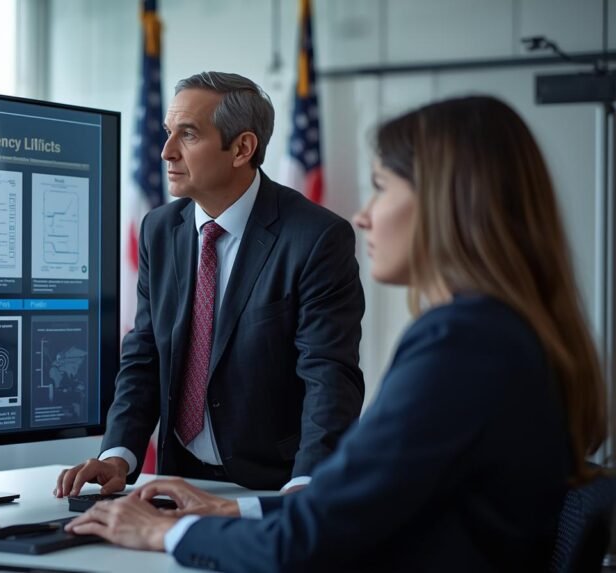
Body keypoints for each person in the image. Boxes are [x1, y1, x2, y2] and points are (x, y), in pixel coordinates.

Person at [65, 95, 608, 571]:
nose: (364, 216)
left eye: (380, 188)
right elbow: (366, 501)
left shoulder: (460, 345)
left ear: (447, 203)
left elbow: (311, 537)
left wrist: (165, 532)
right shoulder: (505, 334)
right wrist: (234, 507)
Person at [55, 71, 365, 497]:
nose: (166, 152)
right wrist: (118, 456)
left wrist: (307, 485)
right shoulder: (159, 230)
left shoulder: (316, 238)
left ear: (242, 148)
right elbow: (145, 352)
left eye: (188, 135)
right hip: (176, 479)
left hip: (275, 485)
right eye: (168, 133)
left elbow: (328, 374)